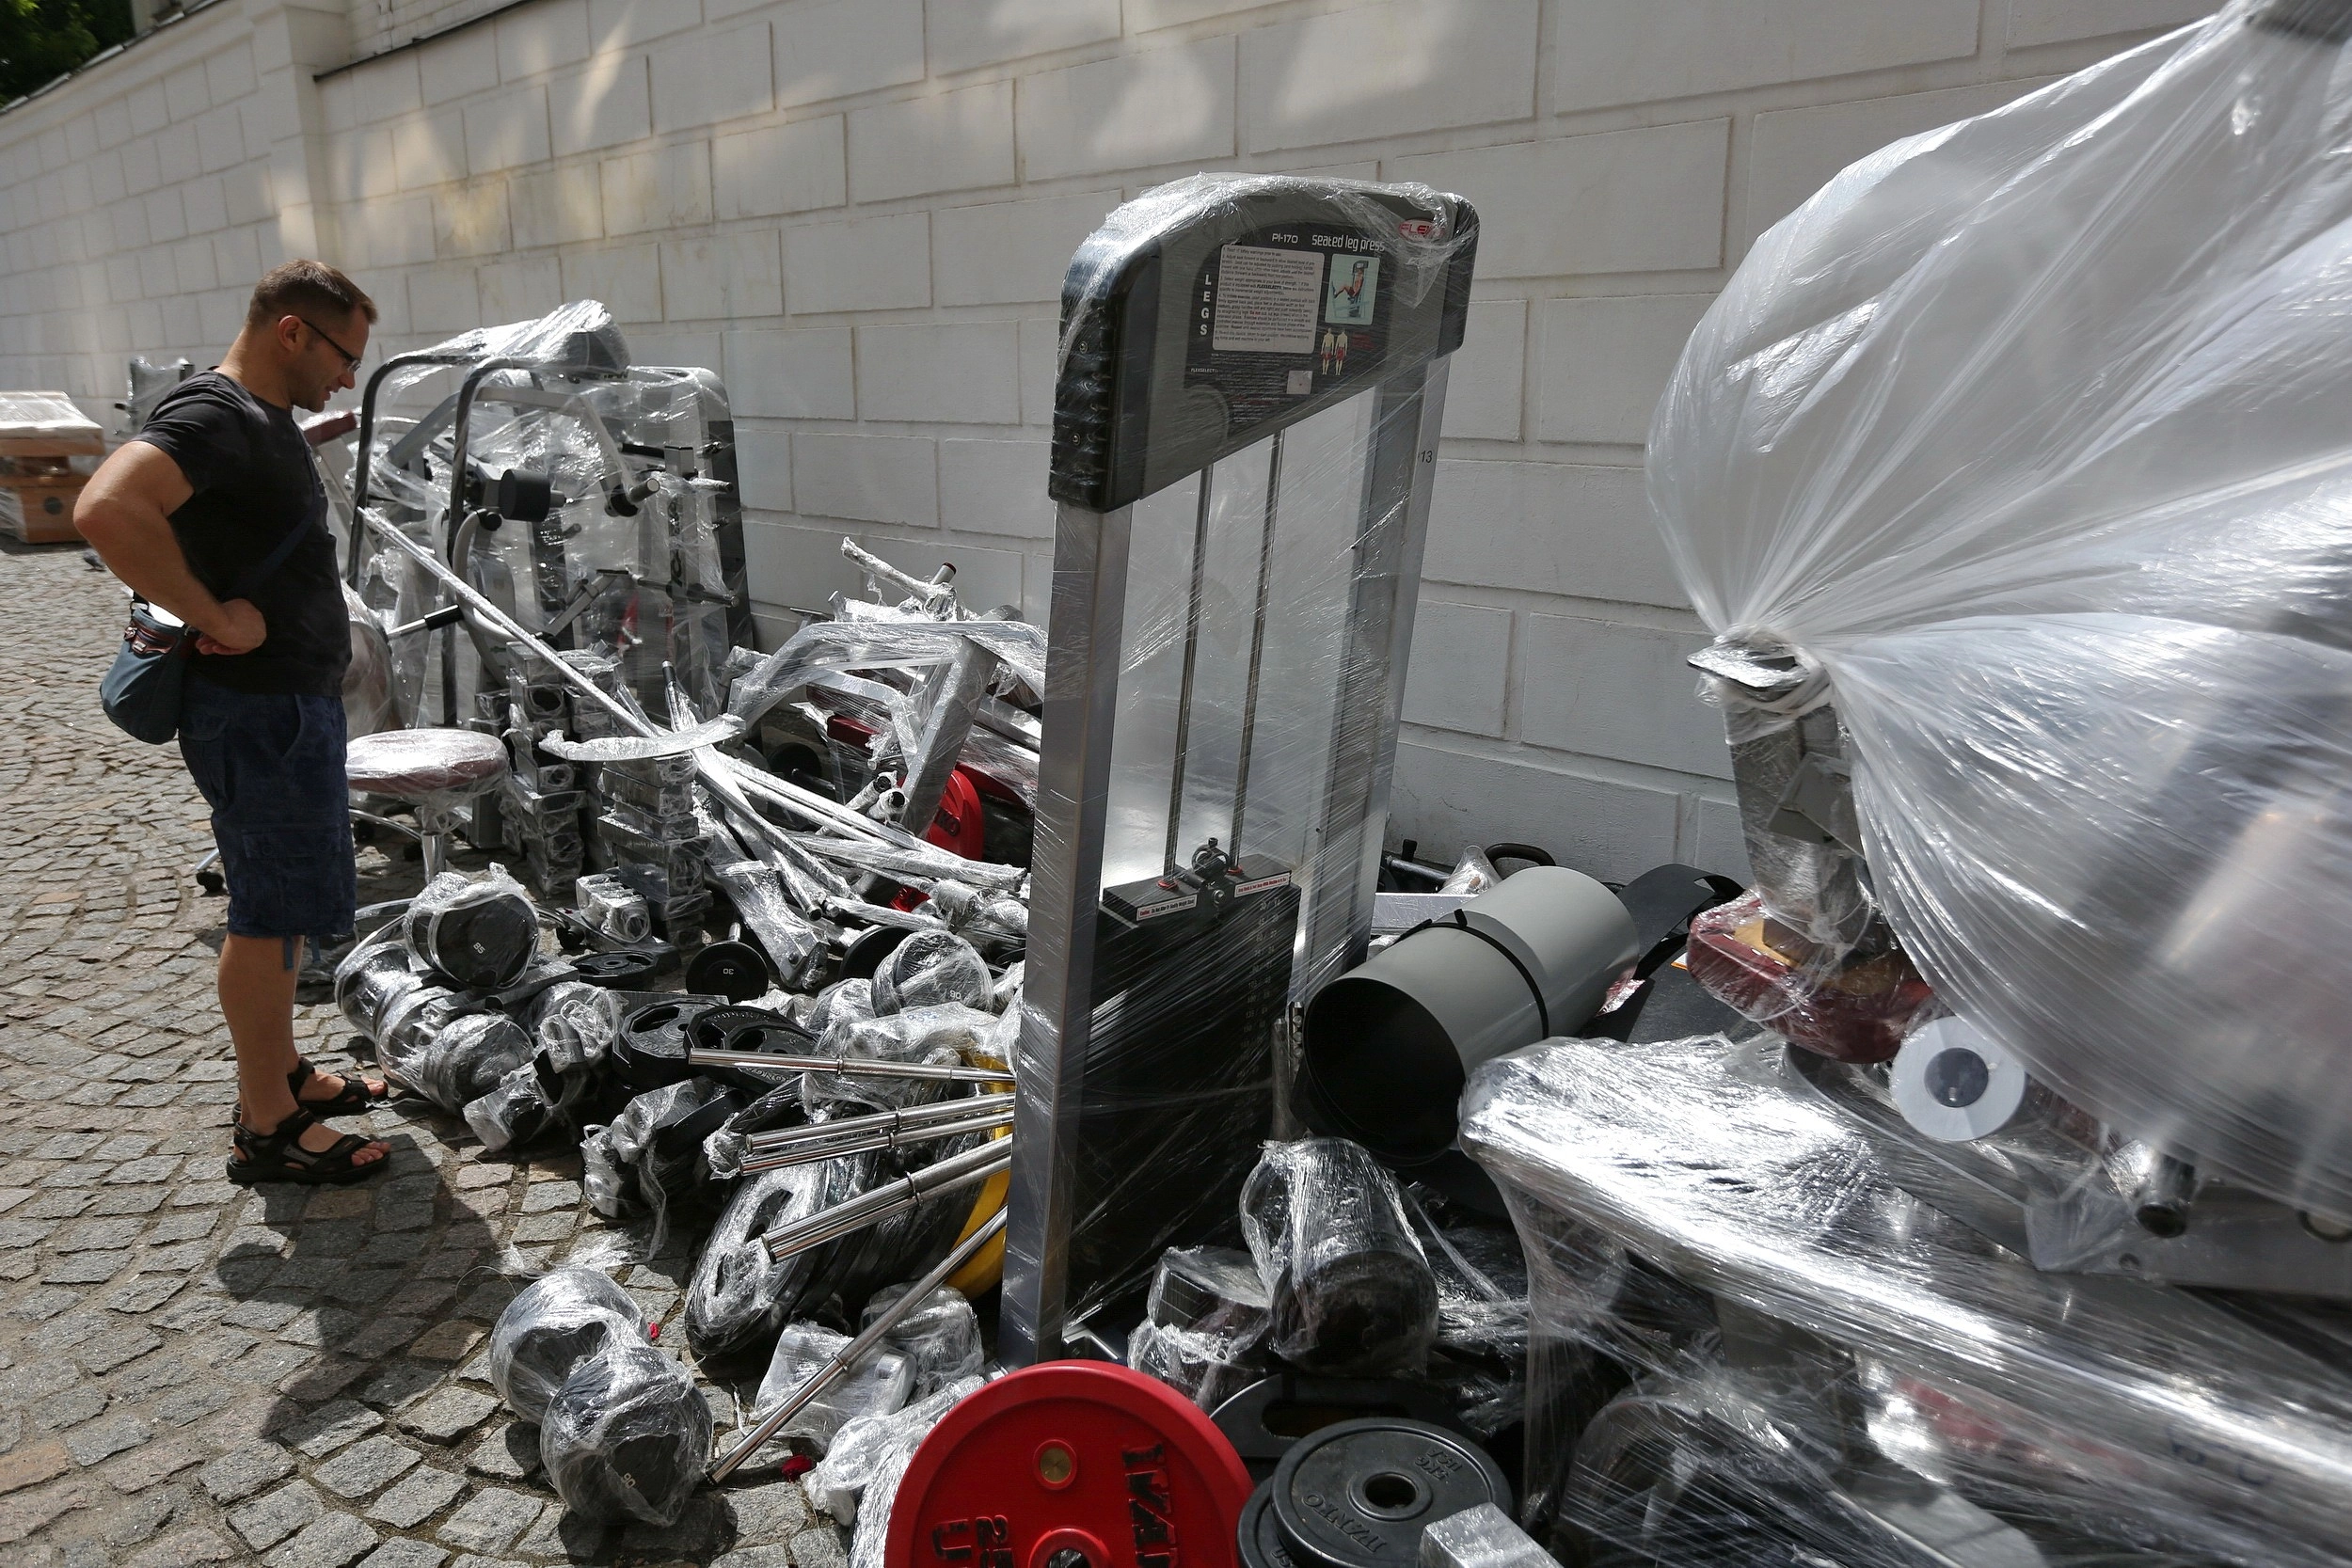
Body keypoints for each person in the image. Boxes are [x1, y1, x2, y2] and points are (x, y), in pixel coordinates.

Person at [76, 261, 392, 1186]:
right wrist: (216, 617)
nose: (347, 375)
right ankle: (270, 1126)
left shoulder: (261, 421)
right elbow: (105, 506)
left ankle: (282, 1070)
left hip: (282, 707)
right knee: (266, 920)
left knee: (285, 913)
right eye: (344, 355)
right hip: (257, 713)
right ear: (291, 331)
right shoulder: (216, 414)